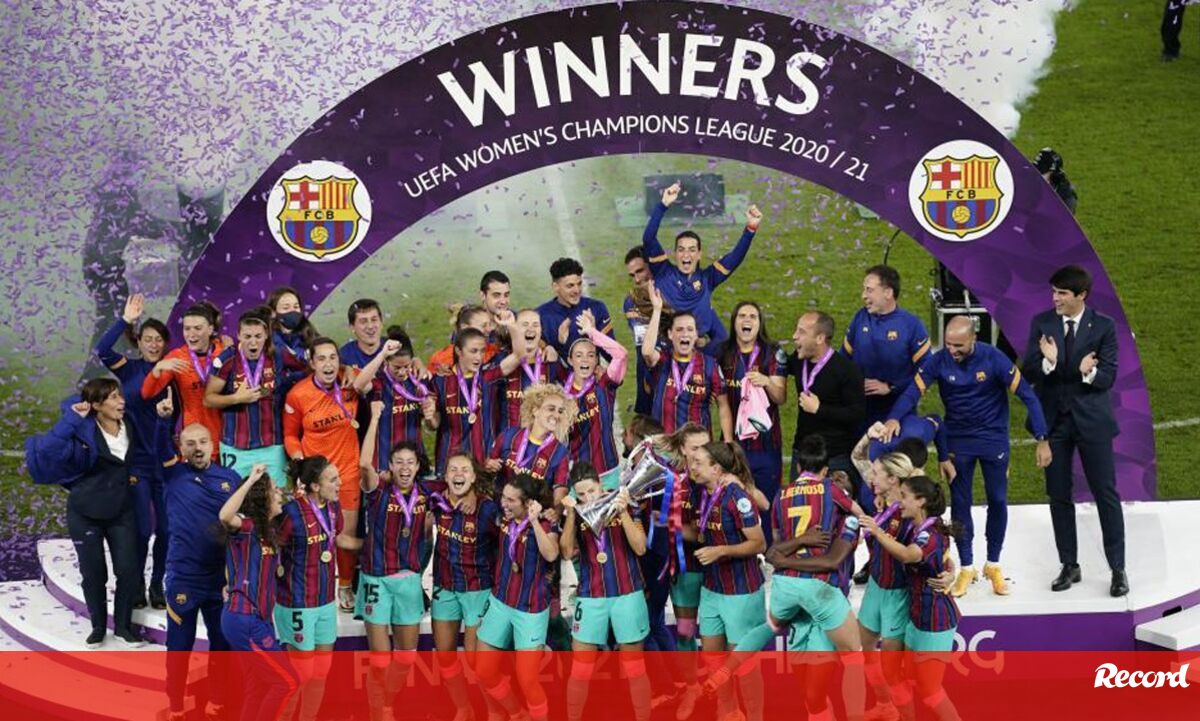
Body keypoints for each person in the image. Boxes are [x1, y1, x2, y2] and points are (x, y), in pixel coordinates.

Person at [883, 315, 1052, 598]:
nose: (952, 350)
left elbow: (1028, 395)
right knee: (961, 503)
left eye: (958, 345)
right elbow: (913, 392)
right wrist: (893, 418)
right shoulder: (939, 361)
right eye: (948, 344)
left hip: (993, 439)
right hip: (958, 441)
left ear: (974, 338)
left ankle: (993, 564)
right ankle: (966, 566)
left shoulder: (994, 358)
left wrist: (1042, 437)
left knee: (998, 499)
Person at [707, 434, 865, 721]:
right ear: (825, 472)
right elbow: (837, 552)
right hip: (819, 590)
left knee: (773, 627)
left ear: (798, 466)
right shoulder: (840, 507)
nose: (837, 480)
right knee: (854, 656)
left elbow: (776, 547)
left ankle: (726, 669)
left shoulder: (781, 495)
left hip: (785, 586)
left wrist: (788, 554)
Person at [1022, 265, 1127, 596]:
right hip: (1055, 424)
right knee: (1058, 494)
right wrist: (1049, 362)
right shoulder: (1043, 322)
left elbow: (1107, 377)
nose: (1055, 298)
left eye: (1062, 293)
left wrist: (1087, 373)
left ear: (1081, 295)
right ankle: (1069, 564)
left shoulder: (1104, 326)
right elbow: (1028, 370)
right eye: (1054, 292)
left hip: (1092, 423)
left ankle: (1118, 569)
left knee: (1105, 494)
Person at [25, 379, 144, 648]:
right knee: (93, 574)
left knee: (128, 570)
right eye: (113, 398)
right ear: (97, 405)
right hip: (85, 513)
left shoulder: (129, 423)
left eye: (120, 396)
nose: (121, 401)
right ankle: (98, 628)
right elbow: (48, 450)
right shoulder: (82, 429)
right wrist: (72, 418)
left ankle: (123, 628)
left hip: (121, 511)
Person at [153, 392, 239, 720]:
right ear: (181, 447)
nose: (197, 448)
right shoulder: (173, 475)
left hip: (219, 579)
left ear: (213, 444)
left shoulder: (230, 480)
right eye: (190, 443)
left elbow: (241, 527)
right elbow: (159, 447)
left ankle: (217, 701)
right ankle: (175, 706)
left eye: (203, 441)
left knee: (222, 644)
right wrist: (162, 421)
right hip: (184, 578)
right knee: (179, 648)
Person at [859, 475, 964, 721]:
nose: (900, 501)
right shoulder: (921, 527)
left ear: (921, 501)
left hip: (935, 621)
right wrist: (951, 571)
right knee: (907, 676)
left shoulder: (929, 534)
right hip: (917, 616)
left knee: (931, 692)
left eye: (904, 496)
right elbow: (942, 559)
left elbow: (909, 555)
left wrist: (877, 531)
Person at [356, 407, 435, 719]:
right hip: (376, 579)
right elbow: (364, 463)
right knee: (380, 658)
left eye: (410, 462)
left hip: (409, 582)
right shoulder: (378, 491)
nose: (404, 468)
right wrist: (375, 419)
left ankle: (386, 701)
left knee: (405, 658)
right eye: (398, 462)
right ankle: (379, 710)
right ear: (389, 465)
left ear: (418, 466)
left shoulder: (427, 493)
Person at [93, 293, 170, 608]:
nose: (153, 344)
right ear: (138, 342)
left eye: (158, 340)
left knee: (167, 530)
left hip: (167, 462)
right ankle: (136, 583)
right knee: (141, 529)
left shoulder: (173, 371)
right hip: (137, 463)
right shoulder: (129, 369)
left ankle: (157, 586)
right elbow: (102, 349)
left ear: (166, 344)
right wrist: (126, 320)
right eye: (147, 339)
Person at [560, 463, 652, 721]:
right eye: (581, 494)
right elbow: (566, 552)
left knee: (634, 669)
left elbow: (640, 548)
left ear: (600, 485)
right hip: (591, 596)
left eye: (591, 491)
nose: (588, 497)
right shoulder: (576, 512)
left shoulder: (624, 502)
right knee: (580, 670)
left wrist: (623, 513)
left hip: (627, 593)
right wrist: (571, 514)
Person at [686, 441, 768, 721]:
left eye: (698, 463)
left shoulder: (737, 498)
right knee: (713, 661)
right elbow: (702, 532)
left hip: (741, 592)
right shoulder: (701, 493)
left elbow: (759, 543)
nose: (692, 467)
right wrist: (669, 526)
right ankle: (728, 712)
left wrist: (720, 551)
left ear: (717, 469)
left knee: (743, 667)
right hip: (712, 589)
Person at [274, 456, 358, 721]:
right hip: (297, 603)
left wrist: (368, 546)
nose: (340, 483)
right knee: (300, 678)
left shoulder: (334, 508)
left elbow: (338, 538)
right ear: (314, 486)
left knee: (320, 674)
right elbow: (272, 547)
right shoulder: (291, 514)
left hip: (325, 602)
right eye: (333, 480)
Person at [283, 337, 363, 612]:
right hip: (315, 476)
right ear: (312, 363)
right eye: (322, 359)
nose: (328, 364)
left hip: (348, 472)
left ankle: (345, 586)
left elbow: (378, 374)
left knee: (344, 534)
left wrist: (351, 370)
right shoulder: (298, 394)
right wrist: (300, 463)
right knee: (313, 534)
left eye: (333, 358)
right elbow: (290, 436)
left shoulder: (350, 381)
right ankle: (313, 585)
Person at [476, 474, 560, 721]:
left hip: (530, 609)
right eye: (504, 497)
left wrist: (534, 521)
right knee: (484, 670)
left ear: (529, 503)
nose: (504, 503)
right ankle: (516, 712)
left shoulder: (546, 524)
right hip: (500, 601)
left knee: (527, 680)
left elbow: (551, 554)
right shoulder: (502, 516)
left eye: (511, 500)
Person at [217, 464, 298, 721]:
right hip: (245, 619)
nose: (279, 493)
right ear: (262, 497)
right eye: (274, 490)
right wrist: (251, 480)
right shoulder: (247, 528)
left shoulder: (267, 531)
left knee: (258, 687)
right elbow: (224, 516)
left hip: (256, 619)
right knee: (287, 683)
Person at [641, 181, 763, 348]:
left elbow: (734, 258)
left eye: (692, 250)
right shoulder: (663, 271)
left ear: (699, 254)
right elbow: (648, 238)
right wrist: (663, 205)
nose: (686, 255)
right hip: (667, 350)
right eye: (681, 250)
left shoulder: (708, 279)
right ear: (675, 253)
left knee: (725, 345)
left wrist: (750, 229)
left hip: (698, 351)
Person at [427, 453, 502, 721]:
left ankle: (496, 710)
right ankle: (463, 708)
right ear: (445, 475)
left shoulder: (488, 509)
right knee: (445, 657)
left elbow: (506, 541)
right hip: (444, 586)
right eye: (453, 469)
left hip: (477, 588)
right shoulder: (435, 499)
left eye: (465, 470)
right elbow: (408, 481)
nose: (458, 474)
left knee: (476, 661)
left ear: (473, 477)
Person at [715, 301, 788, 540]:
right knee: (731, 500)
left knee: (766, 502)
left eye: (753, 316)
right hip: (734, 444)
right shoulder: (722, 353)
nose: (747, 320)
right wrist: (728, 443)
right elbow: (722, 402)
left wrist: (767, 381)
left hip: (766, 445)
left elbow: (781, 397)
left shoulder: (773, 353)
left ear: (759, 323)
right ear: (734, 322)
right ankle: (736, 548)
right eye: (742, 316)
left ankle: (764, 550)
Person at [423, 327, 523, 477]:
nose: (479, 357)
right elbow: (433, 425)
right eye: (473, 351)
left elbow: (519, 355)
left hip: (484, 464)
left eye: (482, 351)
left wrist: (511, 325)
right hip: (450, 465)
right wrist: (429, 416)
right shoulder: (440, 381)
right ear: (459, 351)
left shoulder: (488, 377)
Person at [205, 308, 290, 484]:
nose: (253, 342)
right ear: (238, 335)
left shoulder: (277, 355)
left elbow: (309, 367)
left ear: (266, 335)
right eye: (247, 336)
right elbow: (208, 399)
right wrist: (237, 398)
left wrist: (346, 368)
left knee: (278, 497)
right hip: (235, 446)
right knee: (236, 497)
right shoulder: (227, 359)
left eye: (258, 336)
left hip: (272, 446)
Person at [843, 265, 930, 436]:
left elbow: (927, 372)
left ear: (888, 293)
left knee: (891, 453)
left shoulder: (911, 325)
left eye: (869, 290)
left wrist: (891, 386)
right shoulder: (860, 318)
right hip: (860, 411)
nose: (863, 296)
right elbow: (843, 360)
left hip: (898, 413)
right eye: (864, 289)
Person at [788, 311, 866, 495]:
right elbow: (776, 366)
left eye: (801, 332)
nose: (794, 336)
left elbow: (857, 413)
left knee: (835, 510)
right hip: (802, 454)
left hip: (834, 458)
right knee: (797, 507)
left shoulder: (846, 371)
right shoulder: (798, 361)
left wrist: (819, 409)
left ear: (820, 338)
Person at [642, 282, 733, 438]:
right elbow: (647, 352)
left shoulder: (709, 365)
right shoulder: (664, 359)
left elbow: (723, 405)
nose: (685, 334)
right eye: (679, 329)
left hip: (697, 447)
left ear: (696, 335)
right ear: (670, 334)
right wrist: (657, 310)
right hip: (665, 444)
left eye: (690, 329)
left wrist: (729, 442)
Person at [141, 301, 226, 460]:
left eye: (197, 328)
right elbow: (147, 393)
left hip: (226, 438)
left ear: (210, 329)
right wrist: (157, 369)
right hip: (193, 440)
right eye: (187, 329)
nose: (191, 334)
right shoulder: (177, 357)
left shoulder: (225, 352)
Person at [565, 309, 629, 487]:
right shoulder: (562, 396)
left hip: (608, 470)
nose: (585, 360)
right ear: (570, 361)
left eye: (591, 355)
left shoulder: (604, 384)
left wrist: (592, 332)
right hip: (579, 476)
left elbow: (621, 355)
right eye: (579, 355)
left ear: (596, 361)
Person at [487, 383, 574, 506]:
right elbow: (488, 465)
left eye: (560, 411)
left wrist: (554, 511)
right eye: (551, 409)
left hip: (531, 515)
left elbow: (560, 489)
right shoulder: (509, 435)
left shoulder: (560, 452)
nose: (556, 415)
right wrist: (488, 465)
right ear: (535, 410)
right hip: (500, 509)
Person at [353, 333, 428, 472]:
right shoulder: (378, 383)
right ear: (386, 363)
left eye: (406, 366)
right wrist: (382, 354)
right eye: (396, 367)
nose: (402, 372)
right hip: (384, 463)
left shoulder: (418, 382)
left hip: (415, 462)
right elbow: (358, 386)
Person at [535, 257, 615, 358]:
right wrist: (558, 343)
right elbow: (536, 361)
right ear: (555, 287)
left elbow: (613, 357)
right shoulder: (540, 316)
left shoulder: (596, 308)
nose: (577, 290)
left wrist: (594, 334)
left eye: (579, 284)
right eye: (570, 286)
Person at [498, 309, 563, 432]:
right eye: (525, 324)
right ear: (515, 329)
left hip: (542, 439)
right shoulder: (502, 360)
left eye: (535, 325)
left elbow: (571, 388)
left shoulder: (550, 361)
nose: (531, 329)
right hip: (509, 440)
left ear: (541, 330)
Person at [623, 247, 655, 415]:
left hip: (673, 372)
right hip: (645, 372)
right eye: (632, 275)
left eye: (640, 271)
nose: (636, 280)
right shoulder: (630, 303)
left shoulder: (676, 294)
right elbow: (641, 342)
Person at [428, 304, 501, 375]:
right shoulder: (441, 359)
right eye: (483, 325)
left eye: (490, 324)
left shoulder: (493, 350)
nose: (489, 329)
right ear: (465, 328)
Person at [340, 298, 385, 375]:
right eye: (363, 322)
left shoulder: (396, 349)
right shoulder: (344, 356)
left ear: (381, 322)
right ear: (352, 327)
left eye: (374, 320)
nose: (370, 326)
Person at [1033, 148, 1078, 214]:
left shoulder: (1066, 197)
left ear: (1052, 173)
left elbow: (1063, 219)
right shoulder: (1031, 184)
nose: (1037, 174)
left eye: (1041, 172)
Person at [479, 269, 513, 342]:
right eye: (496, 295)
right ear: (483, 296)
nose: (503, 301)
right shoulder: (471, 323)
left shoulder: (516, 320)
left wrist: (513, 328)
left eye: (506, 295)